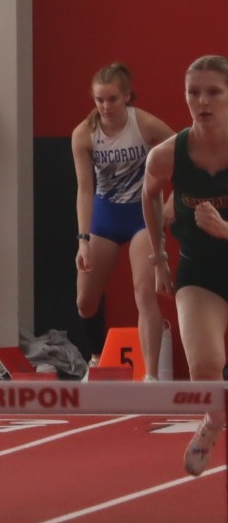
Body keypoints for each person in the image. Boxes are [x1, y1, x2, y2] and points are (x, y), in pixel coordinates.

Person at [142, 54, 228, 476]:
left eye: (214, 92)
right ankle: (212, 423)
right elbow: (149, 192)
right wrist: (158, 256)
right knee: (205, 366)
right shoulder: (167, 155)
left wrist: (225, 229)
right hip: (201, 274)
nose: (203, 101)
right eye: (194, 92)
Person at [70, 63, 175, 375]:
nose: (105, 106)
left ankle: (152, 376)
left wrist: (170, 203)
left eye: (113, 99)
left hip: (142, 215)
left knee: (143, 293)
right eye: (100, 99)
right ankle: (97, 356)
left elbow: (185, 153)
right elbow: (84, 190)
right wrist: (83, 240)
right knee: (85, 301)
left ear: (127, 97)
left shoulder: (144, 124)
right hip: (105, 215)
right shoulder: (83, 135)